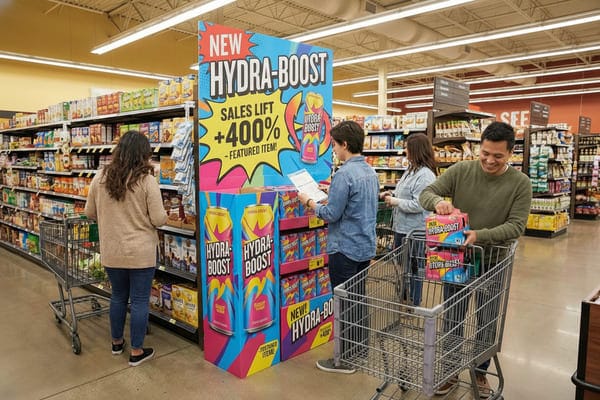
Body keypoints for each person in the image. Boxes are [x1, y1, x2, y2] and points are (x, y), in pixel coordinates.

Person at [419, 121, 532, 397]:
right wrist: (438, 203)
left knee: (487, 319)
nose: (489, 160)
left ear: (511, 154)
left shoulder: (520, 184)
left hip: (493, 262)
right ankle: (451, 369)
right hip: (455, 259)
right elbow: (425, 194)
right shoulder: (461, 170)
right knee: (453, 317)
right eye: (485, 153)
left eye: (498, 156)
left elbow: (517, 226)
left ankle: (480, 372)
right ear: (478, 148)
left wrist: (479, 235)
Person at [298, 120, 379, 374]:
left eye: (334, 144)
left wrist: (310, 201)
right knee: (358, 298)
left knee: (343, 302)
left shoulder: (344, 174)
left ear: (345, 144)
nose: (333, 149)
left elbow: (332, 214)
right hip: (365, 246)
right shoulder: (370, 171)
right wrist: (330, 192)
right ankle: (359, 349)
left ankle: (344, 359)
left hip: (344, 248)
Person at [84, 130, 167, 367]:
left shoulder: (100, 177)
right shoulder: (147, 181)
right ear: (143, 154)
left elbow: (89, 212)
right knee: (140, 300)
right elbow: (159, 219)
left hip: (112, 251)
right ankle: (137, 351)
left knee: (118, 297)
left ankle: (116, 343)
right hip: (140, 253)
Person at [380, 132, 437, 306]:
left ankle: (415, 301)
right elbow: (405, 193)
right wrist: (392, 194)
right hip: (401, 227)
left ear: (416, 150)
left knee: (415, 267)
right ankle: (405, 297)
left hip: (415, 230)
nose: (405, 151)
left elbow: (420, 204)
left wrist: (395, 201)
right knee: (402, 265)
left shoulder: (426, 175)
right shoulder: (410, 169)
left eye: (407, 148)